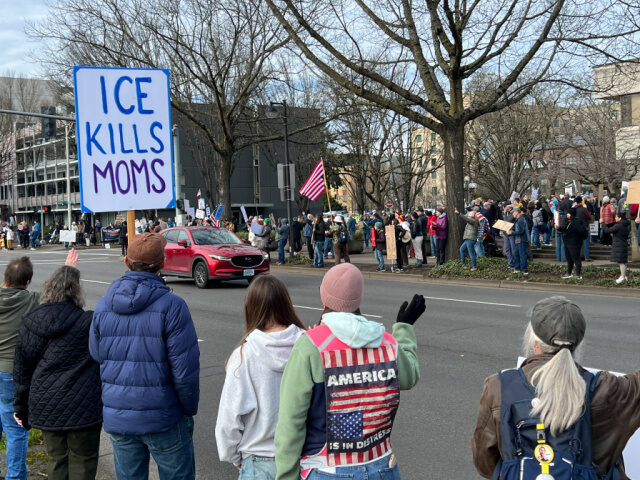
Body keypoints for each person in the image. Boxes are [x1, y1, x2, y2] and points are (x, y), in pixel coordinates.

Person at [274, 264, 424, 480]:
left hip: (326, 468)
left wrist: (287, 475)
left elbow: (291, 423)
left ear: (324, 296)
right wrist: (404, 327)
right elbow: (409, 376)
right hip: (382, 465)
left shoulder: (311, 346)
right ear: (359, 299)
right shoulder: (386, 343)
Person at [472, 296, 639, 480]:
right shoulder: (608, 389)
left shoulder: (499, 386)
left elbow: (484, 462)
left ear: (534, 343)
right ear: (578, 343)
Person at [90, 233, 200, 480]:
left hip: (119, 416)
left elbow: (96, 353)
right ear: (161, 263)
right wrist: (188, 409)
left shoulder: (104, 305)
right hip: (165, 416)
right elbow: (185, 371)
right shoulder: (173, 305)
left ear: (126, 262)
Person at [13, 252, 102, 480]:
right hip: (83, 404)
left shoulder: (30, 323)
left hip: (46, 404)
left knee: (56, 460)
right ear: (77, 292)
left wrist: (21, 408)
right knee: (83, 461)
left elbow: (22, 373)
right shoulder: (88, 321)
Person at [215, 275, 306, 478]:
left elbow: (229, 419)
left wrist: (233, 456)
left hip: (258, 460)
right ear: (286, 304)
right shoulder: (307, 346)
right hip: (301, 459)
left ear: (252, 308)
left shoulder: (243, 356)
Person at [0, 256, 41, 480]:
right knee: (15, 428)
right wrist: (68, 268)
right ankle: (15, 476)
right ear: (27, 281)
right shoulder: (32, 300)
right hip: (11, 372)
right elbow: (56, 296)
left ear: (5, 278)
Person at [602, 212, 631, 284]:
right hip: (623, 244)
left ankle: (623, 276)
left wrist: (603, 223)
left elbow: (607, 230)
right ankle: (624, 276)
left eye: (616, 217)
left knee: (621, 262)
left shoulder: (619, 225)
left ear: (620, 218)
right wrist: (615, 235)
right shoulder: (625, 224)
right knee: (623, 262)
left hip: (619, 245)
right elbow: (622, 234)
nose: (615, 218)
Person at [560, 208, 588, 280]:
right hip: (567, 242)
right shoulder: (568, 221)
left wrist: (572, 223)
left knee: (576, 258)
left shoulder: (576, 222)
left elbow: (580, 231)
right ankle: (569, 272)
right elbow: (564, 230)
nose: (567, 215)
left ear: (571, 214)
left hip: (574, 243)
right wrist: (558, 228)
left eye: (568, 213)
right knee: (569, 259)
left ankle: (578, 274)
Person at [508, 207, 529, 275]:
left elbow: (521, 231)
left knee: (522, 255)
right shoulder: (519, 219)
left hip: (522, 240)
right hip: (518, 240)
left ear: (517, 212)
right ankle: (517, 268)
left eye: (513, 212)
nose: (513, 214)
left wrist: (511, 232)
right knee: (516, 254)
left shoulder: (521, 220)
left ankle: (524, 270)